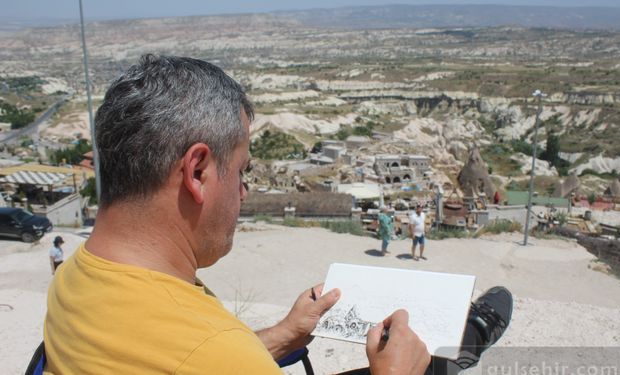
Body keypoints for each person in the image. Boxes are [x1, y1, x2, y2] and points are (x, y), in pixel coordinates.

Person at [42, 55, 430, 375]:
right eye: (242, 170)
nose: (244, 192)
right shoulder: (217, 353)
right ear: (197, 172)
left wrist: (283, 335)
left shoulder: (76, 275)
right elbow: (207, 358)